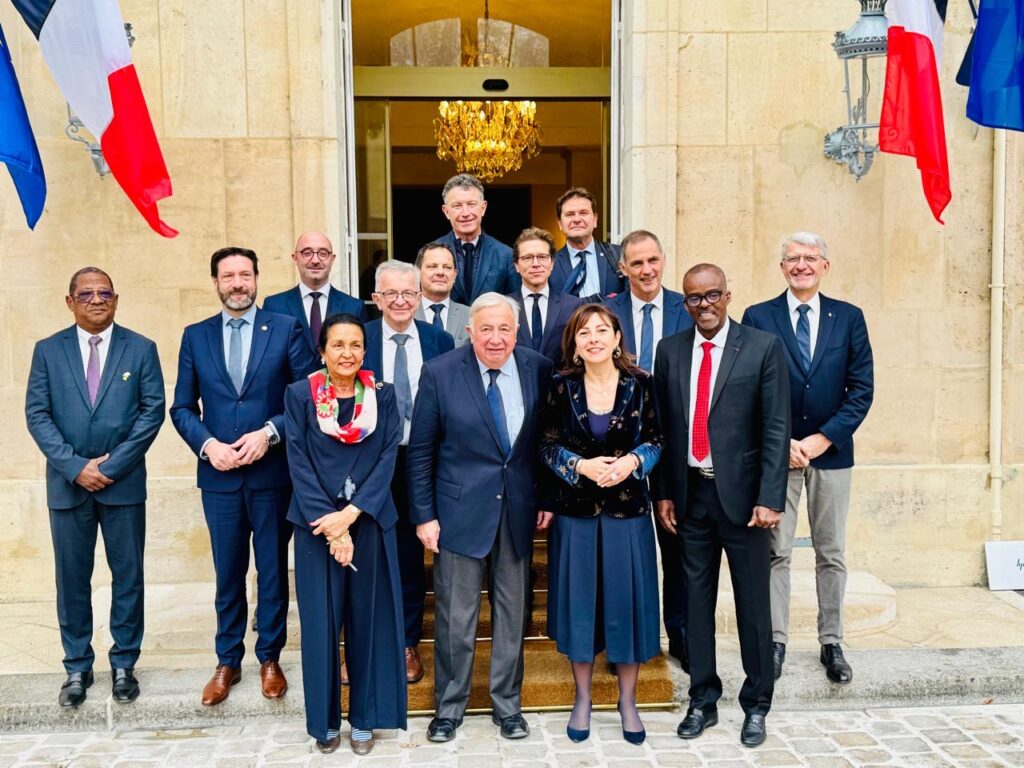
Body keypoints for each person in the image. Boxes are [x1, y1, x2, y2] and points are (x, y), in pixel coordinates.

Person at [170, 247, 315, 707]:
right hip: (220, 478)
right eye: (228, 275)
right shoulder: (196, 336)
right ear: (215, 281)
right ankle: (227, 660)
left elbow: (307, 397)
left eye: (245, 275)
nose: (238, 283)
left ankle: (269, 658)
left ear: (256, 278)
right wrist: (208, 445)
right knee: (228, 572)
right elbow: (180, 407)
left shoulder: (286, 329)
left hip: (273, 475)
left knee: (272, 570)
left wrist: (270, 433)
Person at [652, 264, 789, 748]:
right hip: (690, 498)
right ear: (684, 303)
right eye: (693, 298)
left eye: (712, 295)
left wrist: (771, 497)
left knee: (753, 606)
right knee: (695, 605)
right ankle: (703, 699)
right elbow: (665, 429)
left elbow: (776, 428)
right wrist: (664, 491)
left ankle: (757, 704)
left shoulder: (761, 346)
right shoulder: (669, 351)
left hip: (747, 502)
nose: (704, 304)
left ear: (728, 295)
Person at [407, 293, 553, 743]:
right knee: (455, 616)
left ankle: (507, 706)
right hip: (457, 514)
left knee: (513, 614)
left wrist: (545, 496)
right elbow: (421, 451)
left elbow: (544, 440)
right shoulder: (440, 372)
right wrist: (424, 515)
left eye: (504, 329)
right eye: (486, 329)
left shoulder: (538, 368)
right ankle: (449, 708)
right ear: (470, 331)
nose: (495, 338)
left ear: (516, 331)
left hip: (517, 510)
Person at [25, 267, 165, 708]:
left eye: (104, 292)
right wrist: (74, 467)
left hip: (122, 486)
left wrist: (113, 465)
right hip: (68, 488)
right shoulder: (47, 351)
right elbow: (37, 415)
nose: (96, 299)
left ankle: (124, 662)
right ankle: (76, 667)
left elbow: (152, 411)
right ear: (70, 302)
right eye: (86, 294)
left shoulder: (141, 348)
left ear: (117, 299)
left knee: (128, 577)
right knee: (72, 580)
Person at [741, 232, 874, 685]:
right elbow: (749, 388)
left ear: (825, 266)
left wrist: (822, 439)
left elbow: (861, 390)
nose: (801, 265)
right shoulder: (758, 317)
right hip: (777, 458)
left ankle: (831, 642)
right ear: (781, 267)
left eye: (810, 258)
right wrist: (784, 445)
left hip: (832, 457)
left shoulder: (849, 318)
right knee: (776, 552)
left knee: (831, 552)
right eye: (793, 259)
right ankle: (775, 642)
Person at [539, 304, 663, 746]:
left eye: (601, 330)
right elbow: (546, 445)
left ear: (616, 338)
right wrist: (579, 466)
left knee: (627, 606)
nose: (593, 338)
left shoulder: (643, 385)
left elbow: (656, 440)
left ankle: (627, 700)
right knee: (580, 608)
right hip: (576, 515)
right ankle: (583, 697)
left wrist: (633, 462)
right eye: (583, 333)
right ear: (574, 344)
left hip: (628, 513)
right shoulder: (560, 387)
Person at [284, 314, 407, 755]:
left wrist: (351, 516)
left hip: (370, 521)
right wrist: (332, 525)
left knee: (367, 622)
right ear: (322, 351)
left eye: (356, 345)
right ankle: (325, 722)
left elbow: (388, 455)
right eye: (338, 345)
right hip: (317, 525)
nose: (347, 353)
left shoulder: (384, 396)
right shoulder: (299, 395)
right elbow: (297, 459)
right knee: (321, 626)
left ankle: (365, 718)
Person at [606, 229, 693, 669]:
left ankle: (680, 635)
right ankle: (619, 641)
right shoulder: (606, 310)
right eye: (636, 263)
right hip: (620, 451)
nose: (646, 270)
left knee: (677, 548)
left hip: (676, 449)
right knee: (620, 553)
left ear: (663, 260)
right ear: (623, 267)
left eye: (653, 260)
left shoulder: (688, 308)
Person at [365, 261, 454, 684]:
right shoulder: (359, 339)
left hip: (424, 462)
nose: (400, 301)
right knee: (366, 555)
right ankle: (360, 645)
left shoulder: (440, 339)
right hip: (371, 465)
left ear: (420, 298)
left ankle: (407, 643)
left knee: (411, 558)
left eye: (409, 294)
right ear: (376, 298)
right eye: (391, 294)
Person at [263, 230, 366, 359]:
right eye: (307, 253)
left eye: (323, 254)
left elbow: (361, 355)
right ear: (295, 258)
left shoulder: (354, 307)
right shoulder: (274, 306)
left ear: (332, 259)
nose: (315, 260)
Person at [436, 174, 519, 304]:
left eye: (471, 204)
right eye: (457, 206)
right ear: (446, 211)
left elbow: (514, 304)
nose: (465, 213)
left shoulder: (506, 255)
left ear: (483, 208)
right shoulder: (430, 253)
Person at [506, 227, 582, 369]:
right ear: (516, 265)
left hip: (559, 388)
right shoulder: (504, 306)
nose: (536, 264)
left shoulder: (573, 306)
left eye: (542, 257)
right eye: (527, 258)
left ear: (552, 263)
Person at [550, 187, 626, 302]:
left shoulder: (618, 254)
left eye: (583, 213)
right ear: (560, 224)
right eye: (570, 214)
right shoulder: (549, 264)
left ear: (595, 219)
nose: (577, 219)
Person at [413, 241, 471, 347]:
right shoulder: (406, 313)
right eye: (432, 266)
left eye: (447, 267)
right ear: (417, 272)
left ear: (455, 275)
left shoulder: (470, 315)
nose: (440, 272)